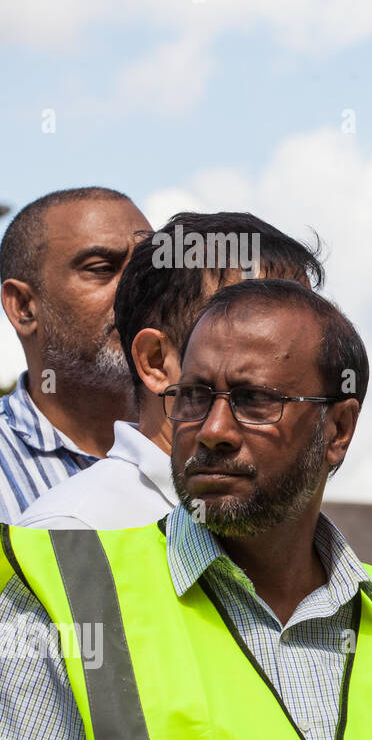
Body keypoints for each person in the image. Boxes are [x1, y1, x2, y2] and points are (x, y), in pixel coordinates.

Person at [0, 279, 372, 740]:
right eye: (194, 396)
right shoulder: (65, 596)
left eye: (255, 400)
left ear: (338, 428)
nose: (213, 429)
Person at [19, 212, 323, 530]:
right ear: (156, 361)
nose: (289, 350)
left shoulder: (292, 531)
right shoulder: (74, 530)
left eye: (303, 326)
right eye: (250, 321)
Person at [0, 187, 150, 520]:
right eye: (101, 268)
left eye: (149, 268)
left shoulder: (210, 444)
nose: (137, 290)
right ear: (23, 306)